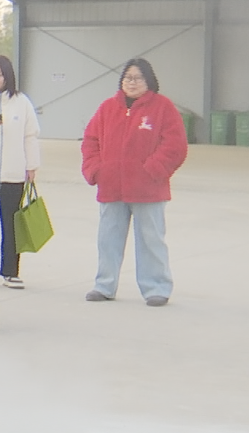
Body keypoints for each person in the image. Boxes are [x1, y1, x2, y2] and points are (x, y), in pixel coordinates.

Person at [80, 58, 188, 306]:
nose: (132, 82)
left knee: (151, 240)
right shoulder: (107, 108)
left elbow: (175, 145)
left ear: (149, 81)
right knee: (108, 239)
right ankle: (104, 285)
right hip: (111, 187)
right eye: (127, 77)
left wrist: (153, 169)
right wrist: (96, 170)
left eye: (138, 78)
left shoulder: (163, 107)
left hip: (148, 189)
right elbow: (90, 140)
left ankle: (156, 288)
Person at [0, 55, 41, 290]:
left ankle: (10, 272)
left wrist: (31, 166)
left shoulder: (21, 102)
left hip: (13, 175)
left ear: (8, 76)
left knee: (11, 225)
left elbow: (30, 135)